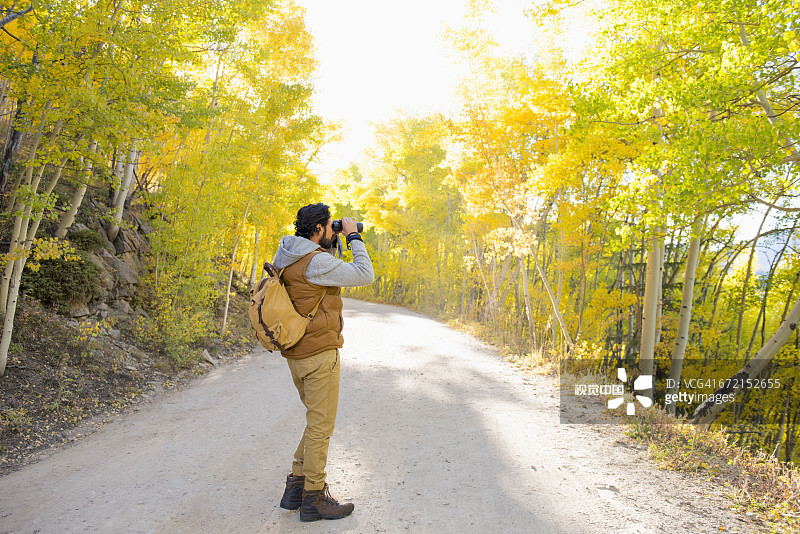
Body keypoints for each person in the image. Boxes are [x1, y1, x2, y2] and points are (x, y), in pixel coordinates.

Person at [272, 202, 374, 522]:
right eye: (330, 227)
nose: (334, 231)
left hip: (297, 353)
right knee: (322, 426)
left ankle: (295, 486)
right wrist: (354, 237)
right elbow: (364, 274)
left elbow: (322, 277)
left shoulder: (290, 254)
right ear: (317, 229)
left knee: (315, 420)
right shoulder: (314, 261)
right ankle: (314, 497)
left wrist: (335, 241)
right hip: (319, 355)